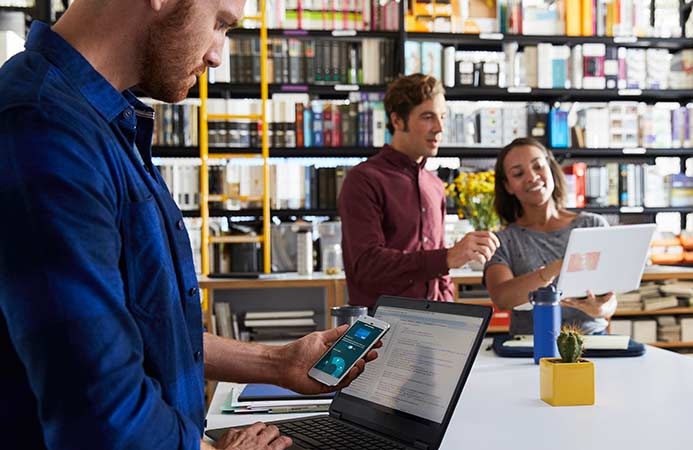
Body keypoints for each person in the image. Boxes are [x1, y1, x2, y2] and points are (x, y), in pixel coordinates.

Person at [0, 1, 377, 449]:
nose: (217, 54)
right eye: (219, 23)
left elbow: (142, 328)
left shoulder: (99, 121)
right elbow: (100, 410)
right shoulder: (43, 126)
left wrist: (279, 363)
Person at [338, 74, 500, 309]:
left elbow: (441, 273)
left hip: (435, 325)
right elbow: (367, 266)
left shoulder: (434, 185)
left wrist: (448, 309)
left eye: (442, 117)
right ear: (397, 120)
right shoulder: (363, 180)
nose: (439, 128)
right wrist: (446, 257)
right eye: (428, 117)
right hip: (382, 330)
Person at [483, 137, 617, 334]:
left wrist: (601, 309)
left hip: (591, 340)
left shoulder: (592, 225)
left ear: (551, 169)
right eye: (518, 173)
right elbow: (502, 299)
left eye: (538, 166)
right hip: (530, 347)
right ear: (508, 186)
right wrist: (553, 269)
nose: (532, 177)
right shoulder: (502, 241)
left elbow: (611, 299)